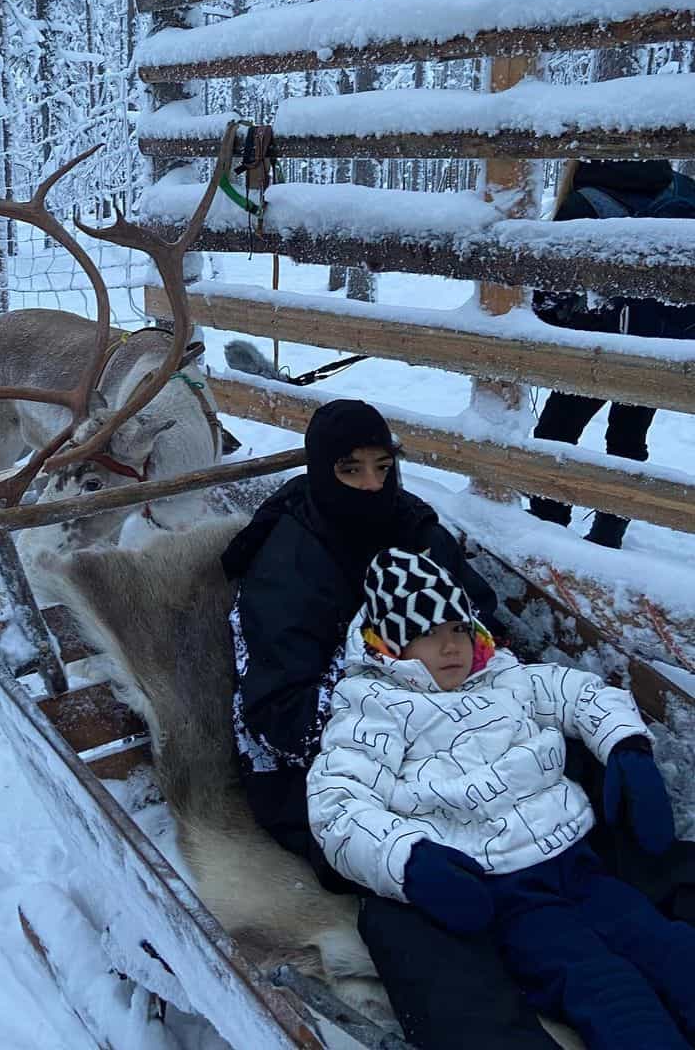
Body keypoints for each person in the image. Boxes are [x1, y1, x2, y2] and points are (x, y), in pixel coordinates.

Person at [221, 400, 559, 1049]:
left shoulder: (416, 532)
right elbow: (277, 716)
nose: (373, 486)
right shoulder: (292, 563)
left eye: (383, 466)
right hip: (326, 768)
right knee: (421, 880)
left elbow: (480, 624)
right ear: (325, 473)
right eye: (352, 470)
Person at [307, 547, 694, 1050]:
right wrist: (408, 860)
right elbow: (337, 801)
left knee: (668, 948)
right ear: (392, 646)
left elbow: (581, 694)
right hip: (505, 894)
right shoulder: (375, 709)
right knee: (602, 983)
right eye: (427, 633)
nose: (450, 647)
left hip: (578, 864)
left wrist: (627, 747)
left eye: (457, 629)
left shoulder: (505, 675)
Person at [528, 159, 695, 549]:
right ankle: (608, 534)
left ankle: (549, 525)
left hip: (600, 345)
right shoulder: (684, 188)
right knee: (628, 437)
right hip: (664, 341)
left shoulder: (584, 202)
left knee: (555, 432)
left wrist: (550, 321)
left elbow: (551, 291)